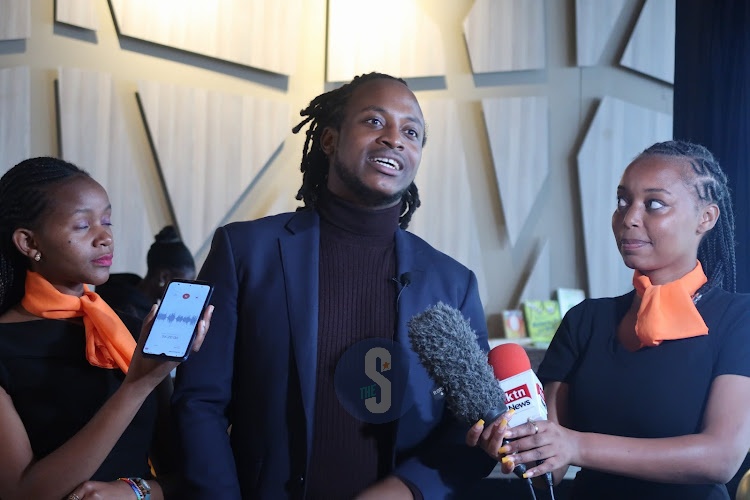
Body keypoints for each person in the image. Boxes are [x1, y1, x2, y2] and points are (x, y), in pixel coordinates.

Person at [171, 72, 497, 499]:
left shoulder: (452, 282)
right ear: (328, 140)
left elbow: (472, 427)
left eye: (411, 132)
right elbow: (200, 402)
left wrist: (407, 490)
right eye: (375, 122)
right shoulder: (245, 251)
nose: (395, 139)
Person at [467, 140, 750, 499]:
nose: (629, 217)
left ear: (706, 218)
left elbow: (720, 458)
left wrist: (576, 446)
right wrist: (515, 445)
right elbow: (549, 471)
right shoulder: (585, 320)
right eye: (622, 201)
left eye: (654, 204)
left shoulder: (739, 318)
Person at [0, 157, 213, 500]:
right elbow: (20, 493)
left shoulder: (128, 330)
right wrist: (138, 385)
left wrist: (136, 492)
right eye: (83, 225)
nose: (105, 238)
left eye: (107, 221)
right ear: (29, 243)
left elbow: (188, 477)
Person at [96, 225, 196, 321]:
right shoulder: (130, 313)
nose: (187, 292)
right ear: (163, 277)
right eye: (184, 284)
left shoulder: (122, 293)